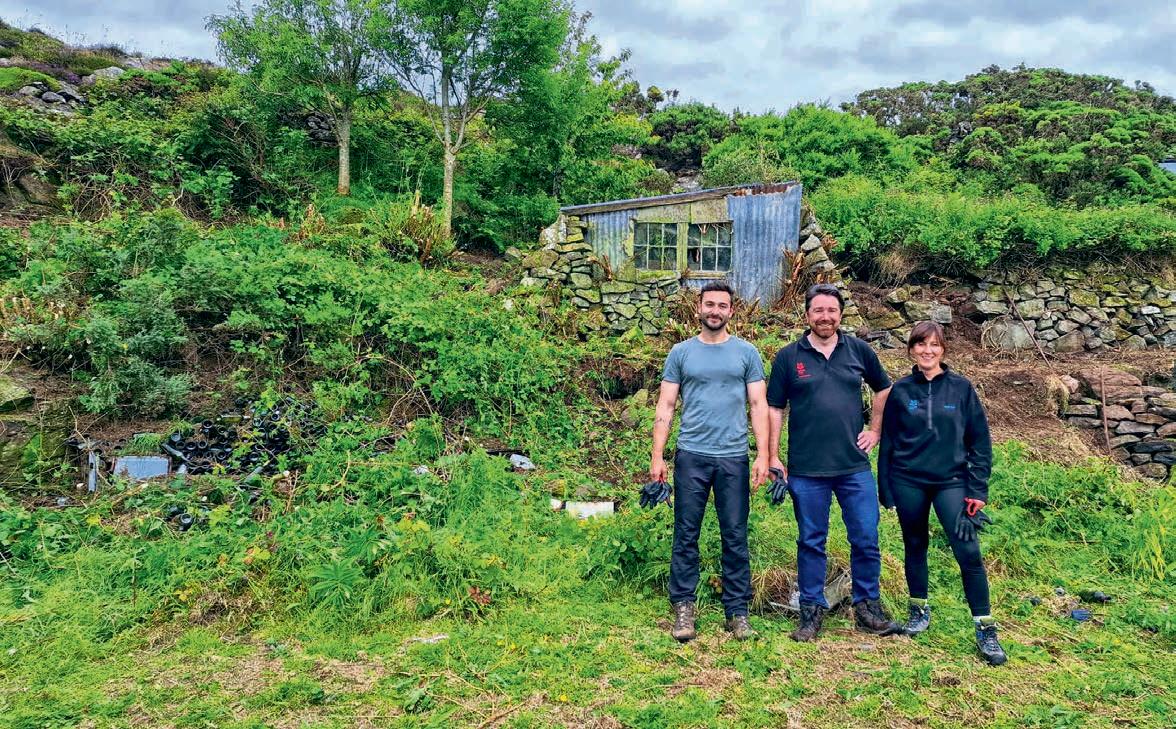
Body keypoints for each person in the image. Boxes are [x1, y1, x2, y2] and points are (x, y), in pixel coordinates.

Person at [766, 283, 900, 642]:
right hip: (806, 469)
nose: (825, 317)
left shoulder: (859, 351)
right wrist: (773, 455)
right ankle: (811, 612)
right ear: (807, 314)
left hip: (853, 467)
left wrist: (875, 430)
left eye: (831, 311)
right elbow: (775, 407)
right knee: (811, 541)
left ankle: (867, 609)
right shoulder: (788, 357)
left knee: (866, 537)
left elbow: (884, 388)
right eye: (818, 311)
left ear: (840, 314)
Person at [877, 321, 1007, 666]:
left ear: (943, 349)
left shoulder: (961, 389)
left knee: (968, 550)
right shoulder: (900, 390)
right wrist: (885, 488)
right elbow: (889, 441)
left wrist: (977, 489)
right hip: (908, 480)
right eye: (921, 344)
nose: (928, 350)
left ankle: (985, 628)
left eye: (934, 344)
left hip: (952, 482)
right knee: (915, 544)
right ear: (911, 350)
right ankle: (918, 610)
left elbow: (980, 443)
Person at [651, 280, 770, 642]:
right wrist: (658, 455)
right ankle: (683, 607)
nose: (715, 311)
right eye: (709, 304)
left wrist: (763, 455)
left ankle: (737, 611)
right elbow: (666, 405)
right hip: (692, 456)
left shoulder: (747, 353)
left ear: (731, 311)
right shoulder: (681, 353)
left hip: (733, 457)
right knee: (686, 533)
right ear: (698, 307)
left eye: (722, 305)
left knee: (735, 534)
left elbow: (758, 405)